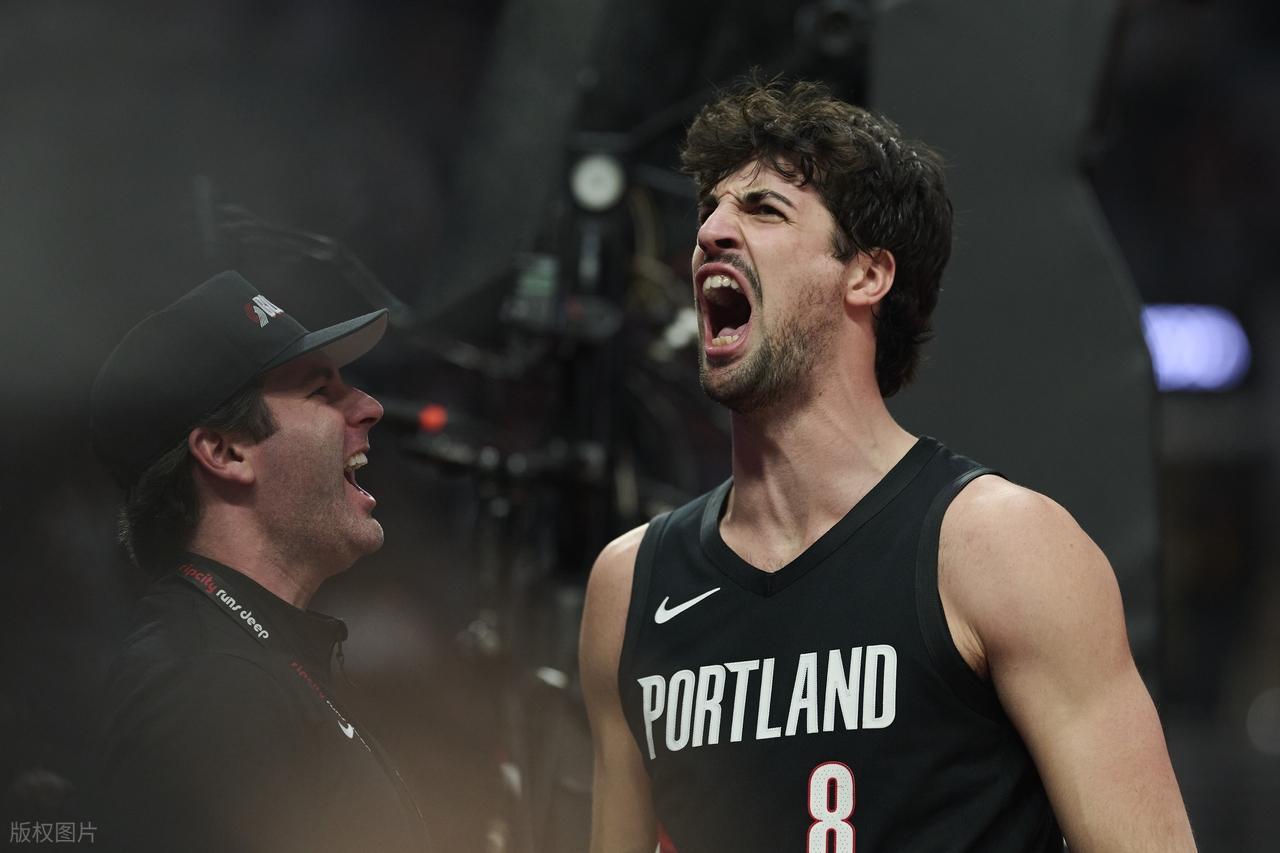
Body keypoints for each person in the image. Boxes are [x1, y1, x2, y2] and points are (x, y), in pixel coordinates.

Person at [579, 76, 1196, 852]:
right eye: (710, 209)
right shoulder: (629, 585)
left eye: (764, 209)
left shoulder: (1001, 547)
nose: (711, 232)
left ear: (867, 275)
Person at [87, 271, 429, 852]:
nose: (369, 408)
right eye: (320, 392)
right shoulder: (208, 688)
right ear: (225, 452)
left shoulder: (243, 657)